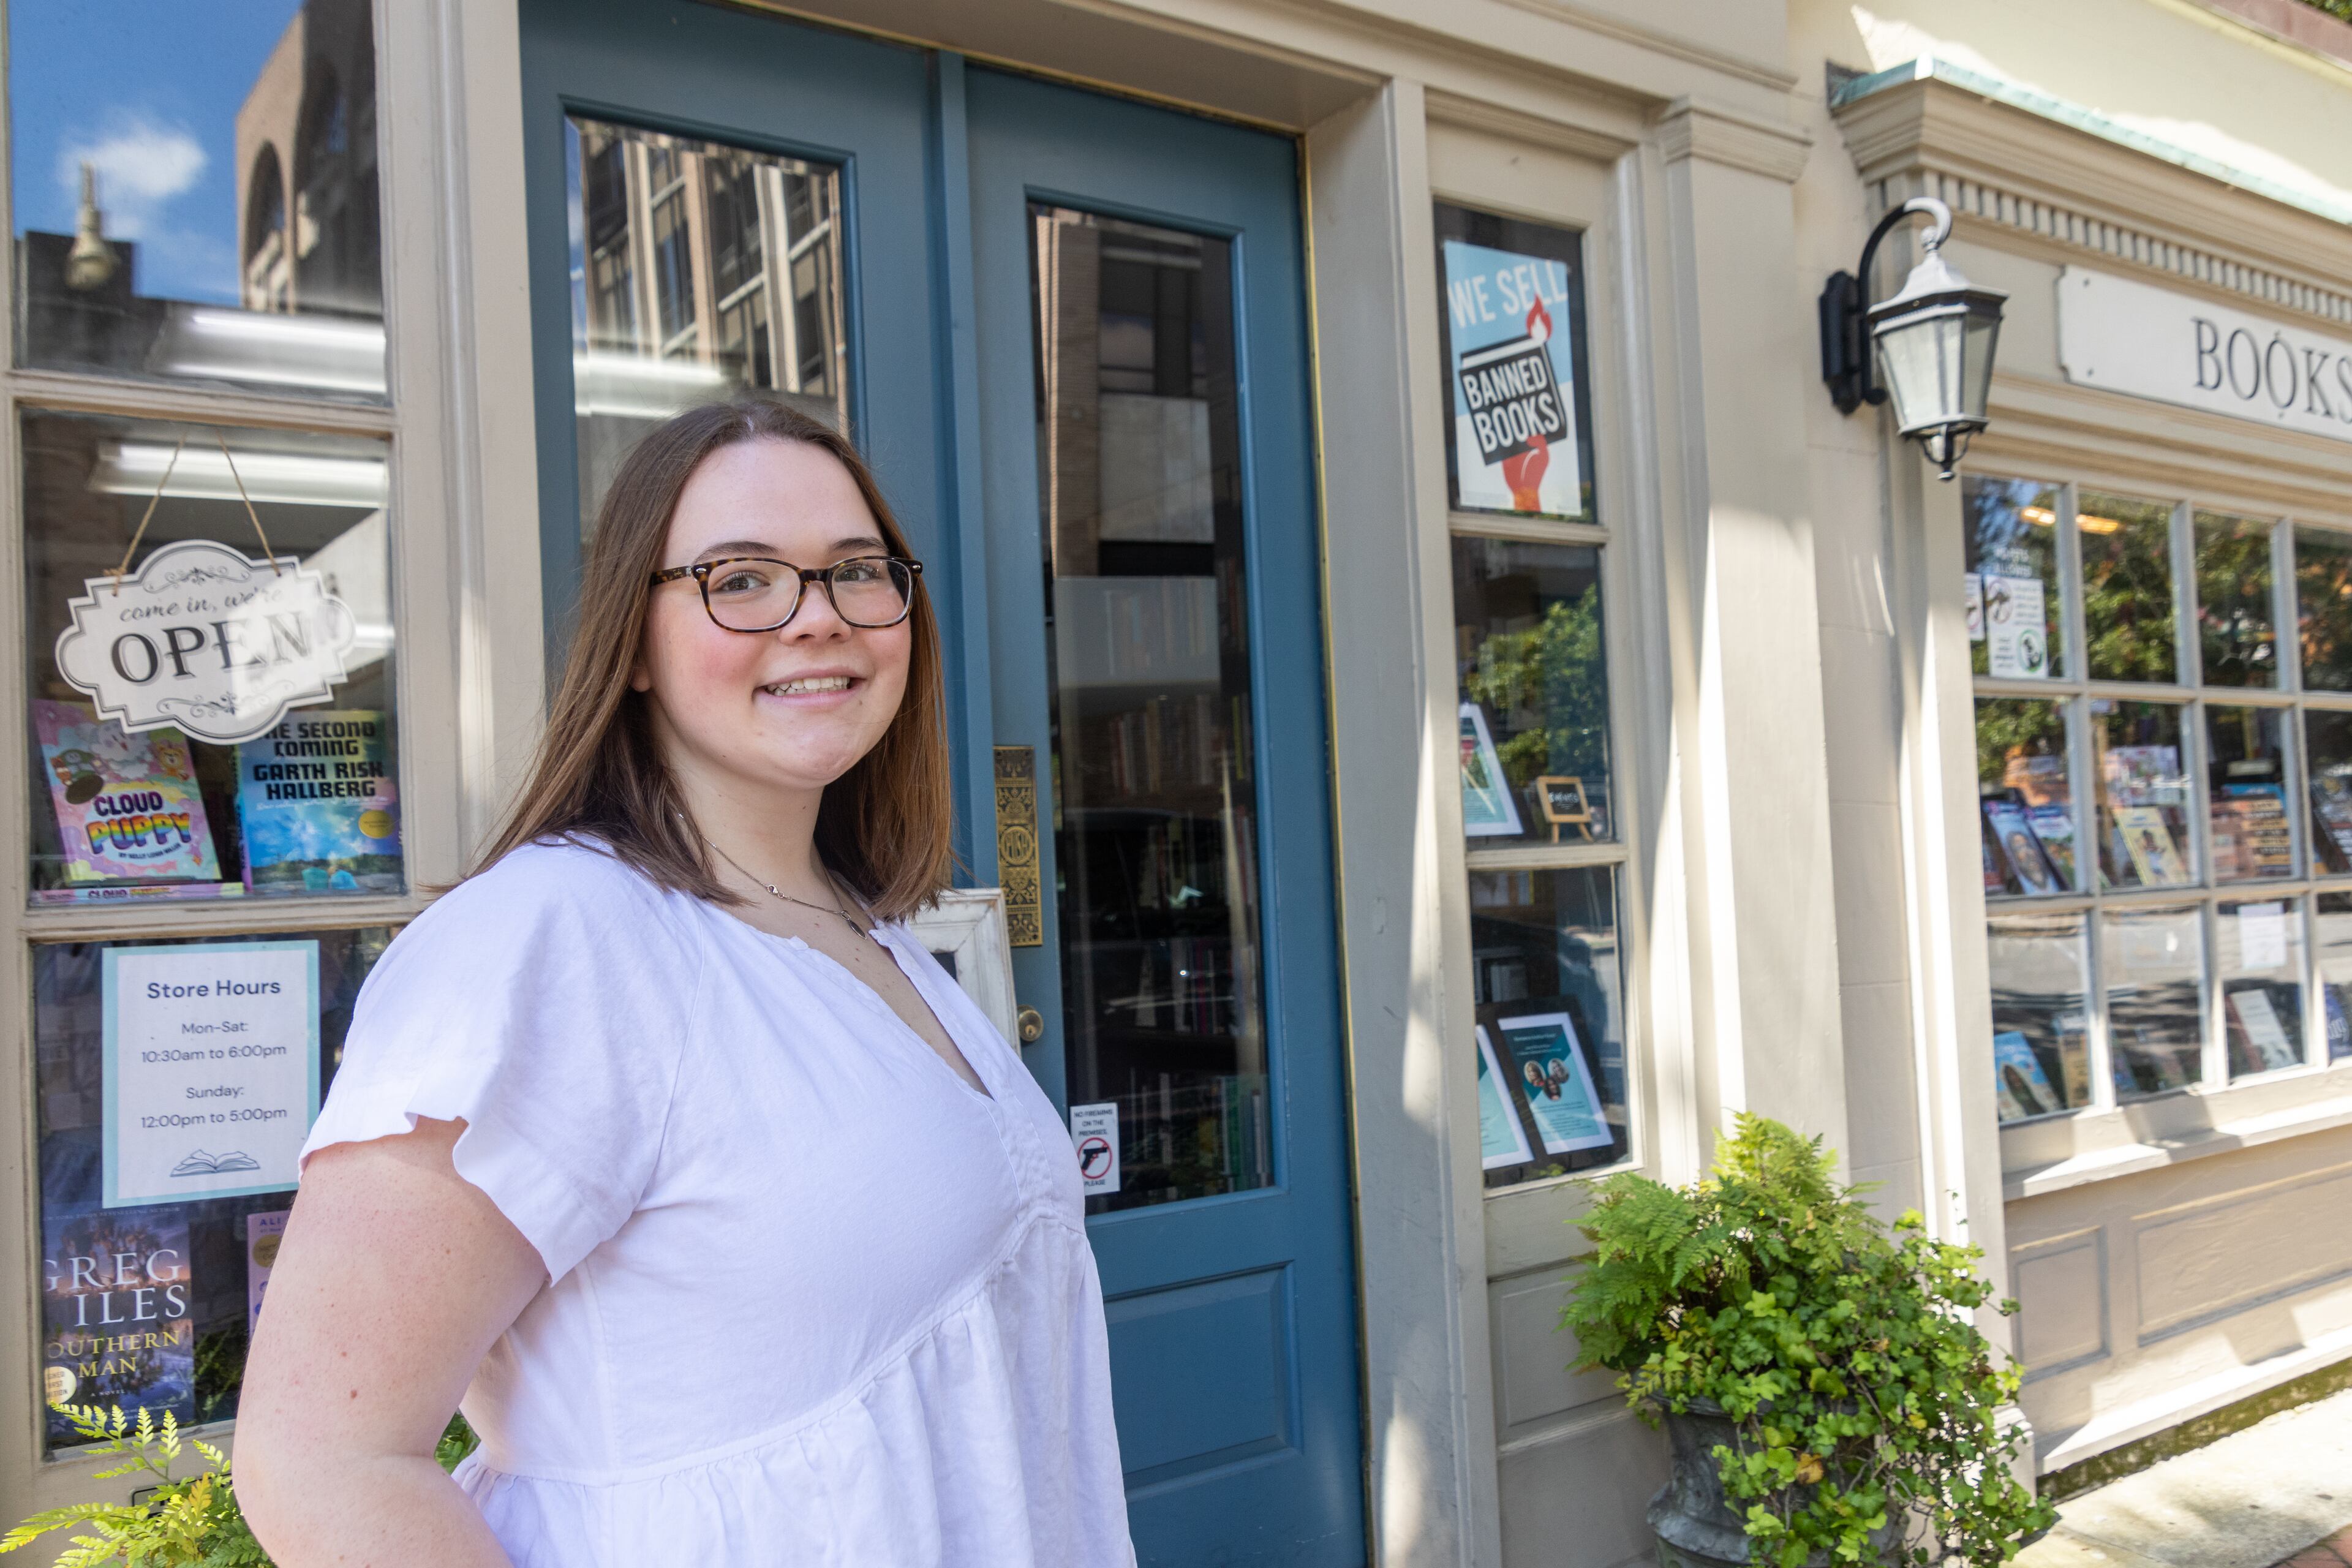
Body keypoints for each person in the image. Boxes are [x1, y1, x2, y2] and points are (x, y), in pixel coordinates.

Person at [236, 400, 1135, 1567]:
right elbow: (324, 1463)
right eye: (743, 580)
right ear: (636, 642)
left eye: (857, 572)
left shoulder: (875, 928)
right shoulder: (553, 939)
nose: (817, 620)